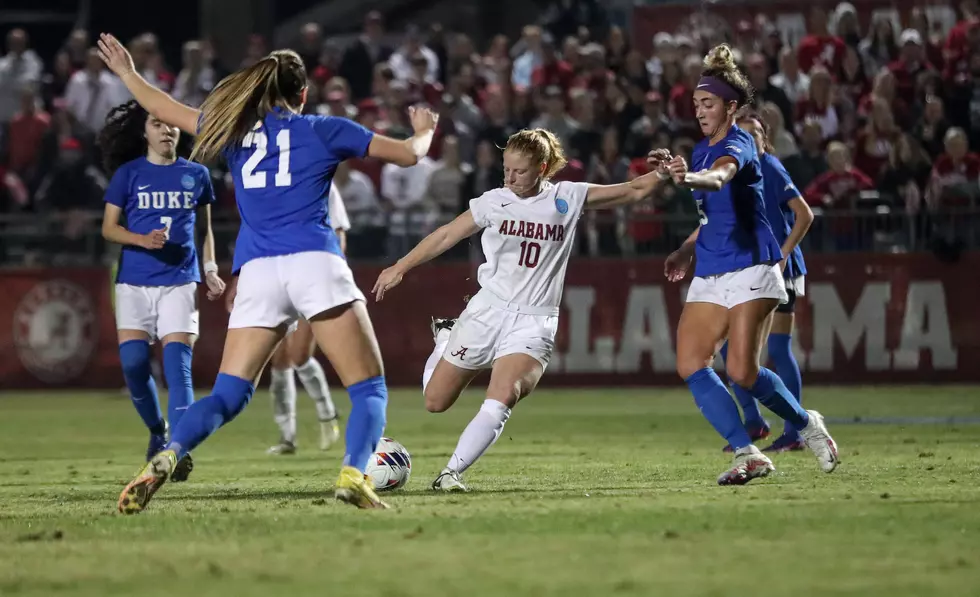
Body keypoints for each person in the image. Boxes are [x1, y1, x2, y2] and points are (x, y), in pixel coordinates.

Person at [97, 32, 438, 513]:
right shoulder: (324, 128)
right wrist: (424, 129)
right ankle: (353, 475)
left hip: (257, 272)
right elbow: (409, 155)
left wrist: (127, 73)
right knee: (368, 388)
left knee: (229, 394)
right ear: (302, 93)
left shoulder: (233, 133)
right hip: (314, 261)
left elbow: (166, 105)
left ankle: (171, 452)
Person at [373, 128, 670, 492]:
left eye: (520, 171)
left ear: (542, 167)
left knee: (503, 395)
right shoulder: (493, 201)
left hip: (535, 320)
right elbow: (447, 234)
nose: (510, 177)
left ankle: (451, 473)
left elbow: (633, 190)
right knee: (435, 402)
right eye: (506, 169)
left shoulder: (568, 197)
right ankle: (446, 337)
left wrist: (663, 174)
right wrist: (400, 266)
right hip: (487, 310)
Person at [658, 45, 838, 486]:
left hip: (752, 267)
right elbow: (710, 215)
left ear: (731, 106)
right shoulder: (700, 149)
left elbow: (719, 177)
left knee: (741, 371)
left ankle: (806, 423)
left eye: (709, 103)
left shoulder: (740, 141)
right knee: (690, 364)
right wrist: (685, 249)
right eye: (697, 103)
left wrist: (689, 179)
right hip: (711, 270)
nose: (700, 111)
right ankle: (748, 452)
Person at [99, 99, 225, 483]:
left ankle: (179, 449)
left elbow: (205, 230)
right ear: (145, 132)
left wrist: (211, 270)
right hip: (134, 283)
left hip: (179, 282)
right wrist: (142, 239)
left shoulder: (197, 174)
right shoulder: (128, 174)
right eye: (158, 123)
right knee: (135, 366)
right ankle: (159, 431)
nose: (166, 129)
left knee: (178, 368)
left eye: (170, 124)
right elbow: (109, 229)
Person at [718, 109, 814, 454]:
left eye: (755, 133)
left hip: (779, 269)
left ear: (764, 139)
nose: (750, 139)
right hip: (749, 268)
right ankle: (755, 421)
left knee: (774, 349)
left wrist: (785, 254)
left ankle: (795, 430)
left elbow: (805, 213)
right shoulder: (734, 173)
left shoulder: (770, 167)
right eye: (743, 133)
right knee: (730, 349)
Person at [264, 183, 349, 455]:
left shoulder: (323, 183)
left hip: (312, 275)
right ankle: (287, 436)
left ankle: (327, 414)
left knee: (299, 354)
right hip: (274, 274)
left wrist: (332, 273)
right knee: (278, 359)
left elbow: (338, 233)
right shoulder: (270, 182)